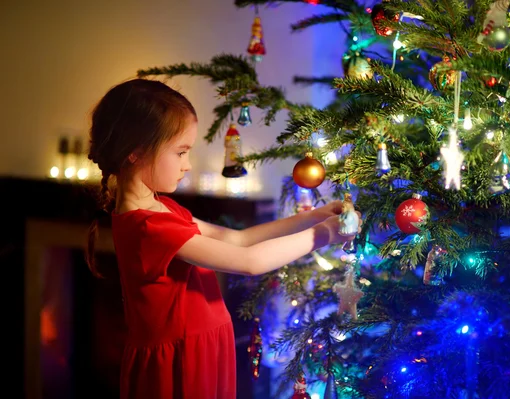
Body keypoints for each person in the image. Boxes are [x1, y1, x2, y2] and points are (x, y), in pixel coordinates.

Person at [85, 78, 361, 399]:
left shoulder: (160, 208)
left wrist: (313, 216)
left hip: (199, 353)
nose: (187, 165)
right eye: (180, 152)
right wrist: (324, 234)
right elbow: (248, 262)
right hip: (180, 368)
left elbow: (237, 240)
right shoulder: (150, 227)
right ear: (136, 152)